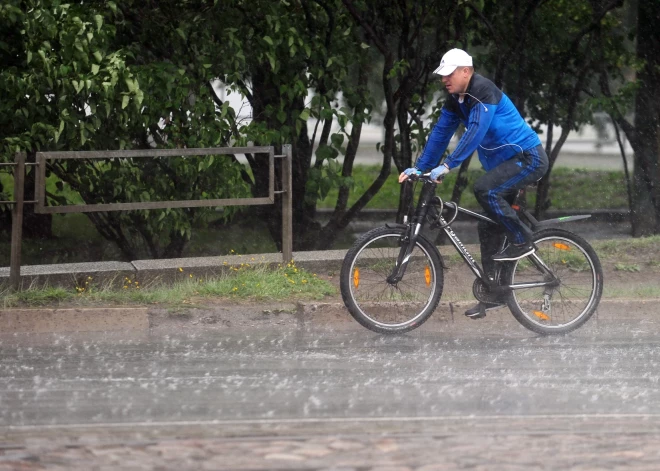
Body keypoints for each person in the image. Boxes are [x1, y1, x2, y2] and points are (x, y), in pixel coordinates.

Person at [398, 48, 549, 318]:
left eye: (450, 74)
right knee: (488, 225)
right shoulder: (456, 100)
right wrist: (420, 168)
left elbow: (476, 131)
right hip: (507, 166)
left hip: (528, 159)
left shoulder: (483, 91)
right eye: (442, 75)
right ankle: (495, 292)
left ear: (466, 71)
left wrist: (447, 165)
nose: (445, 79)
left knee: (484, 189)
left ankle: (522, 240)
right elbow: (440, 133)